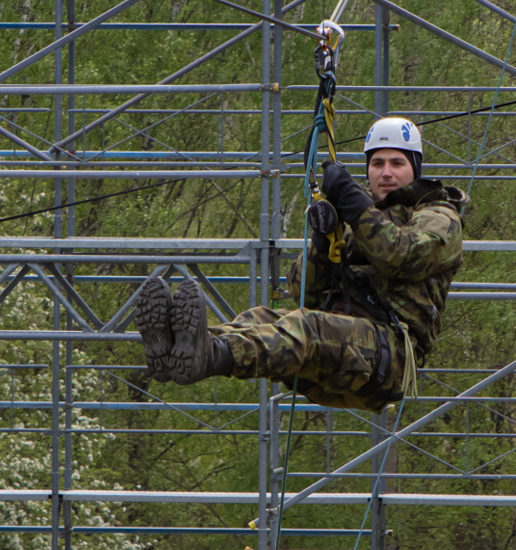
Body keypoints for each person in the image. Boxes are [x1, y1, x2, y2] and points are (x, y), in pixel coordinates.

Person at [134, 118, 465, 412]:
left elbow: (400, 255)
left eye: (397, 163)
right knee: (260, 318)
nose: (387, 173)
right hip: (339, 351)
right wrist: (322, 244)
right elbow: (302, 293)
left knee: (307, 329)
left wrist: (352, 202)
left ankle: (208, 355)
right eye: (377, 163)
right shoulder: (355, 217)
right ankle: (186, 350)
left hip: (389, 356)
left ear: (415, 169)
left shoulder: (438, 218)